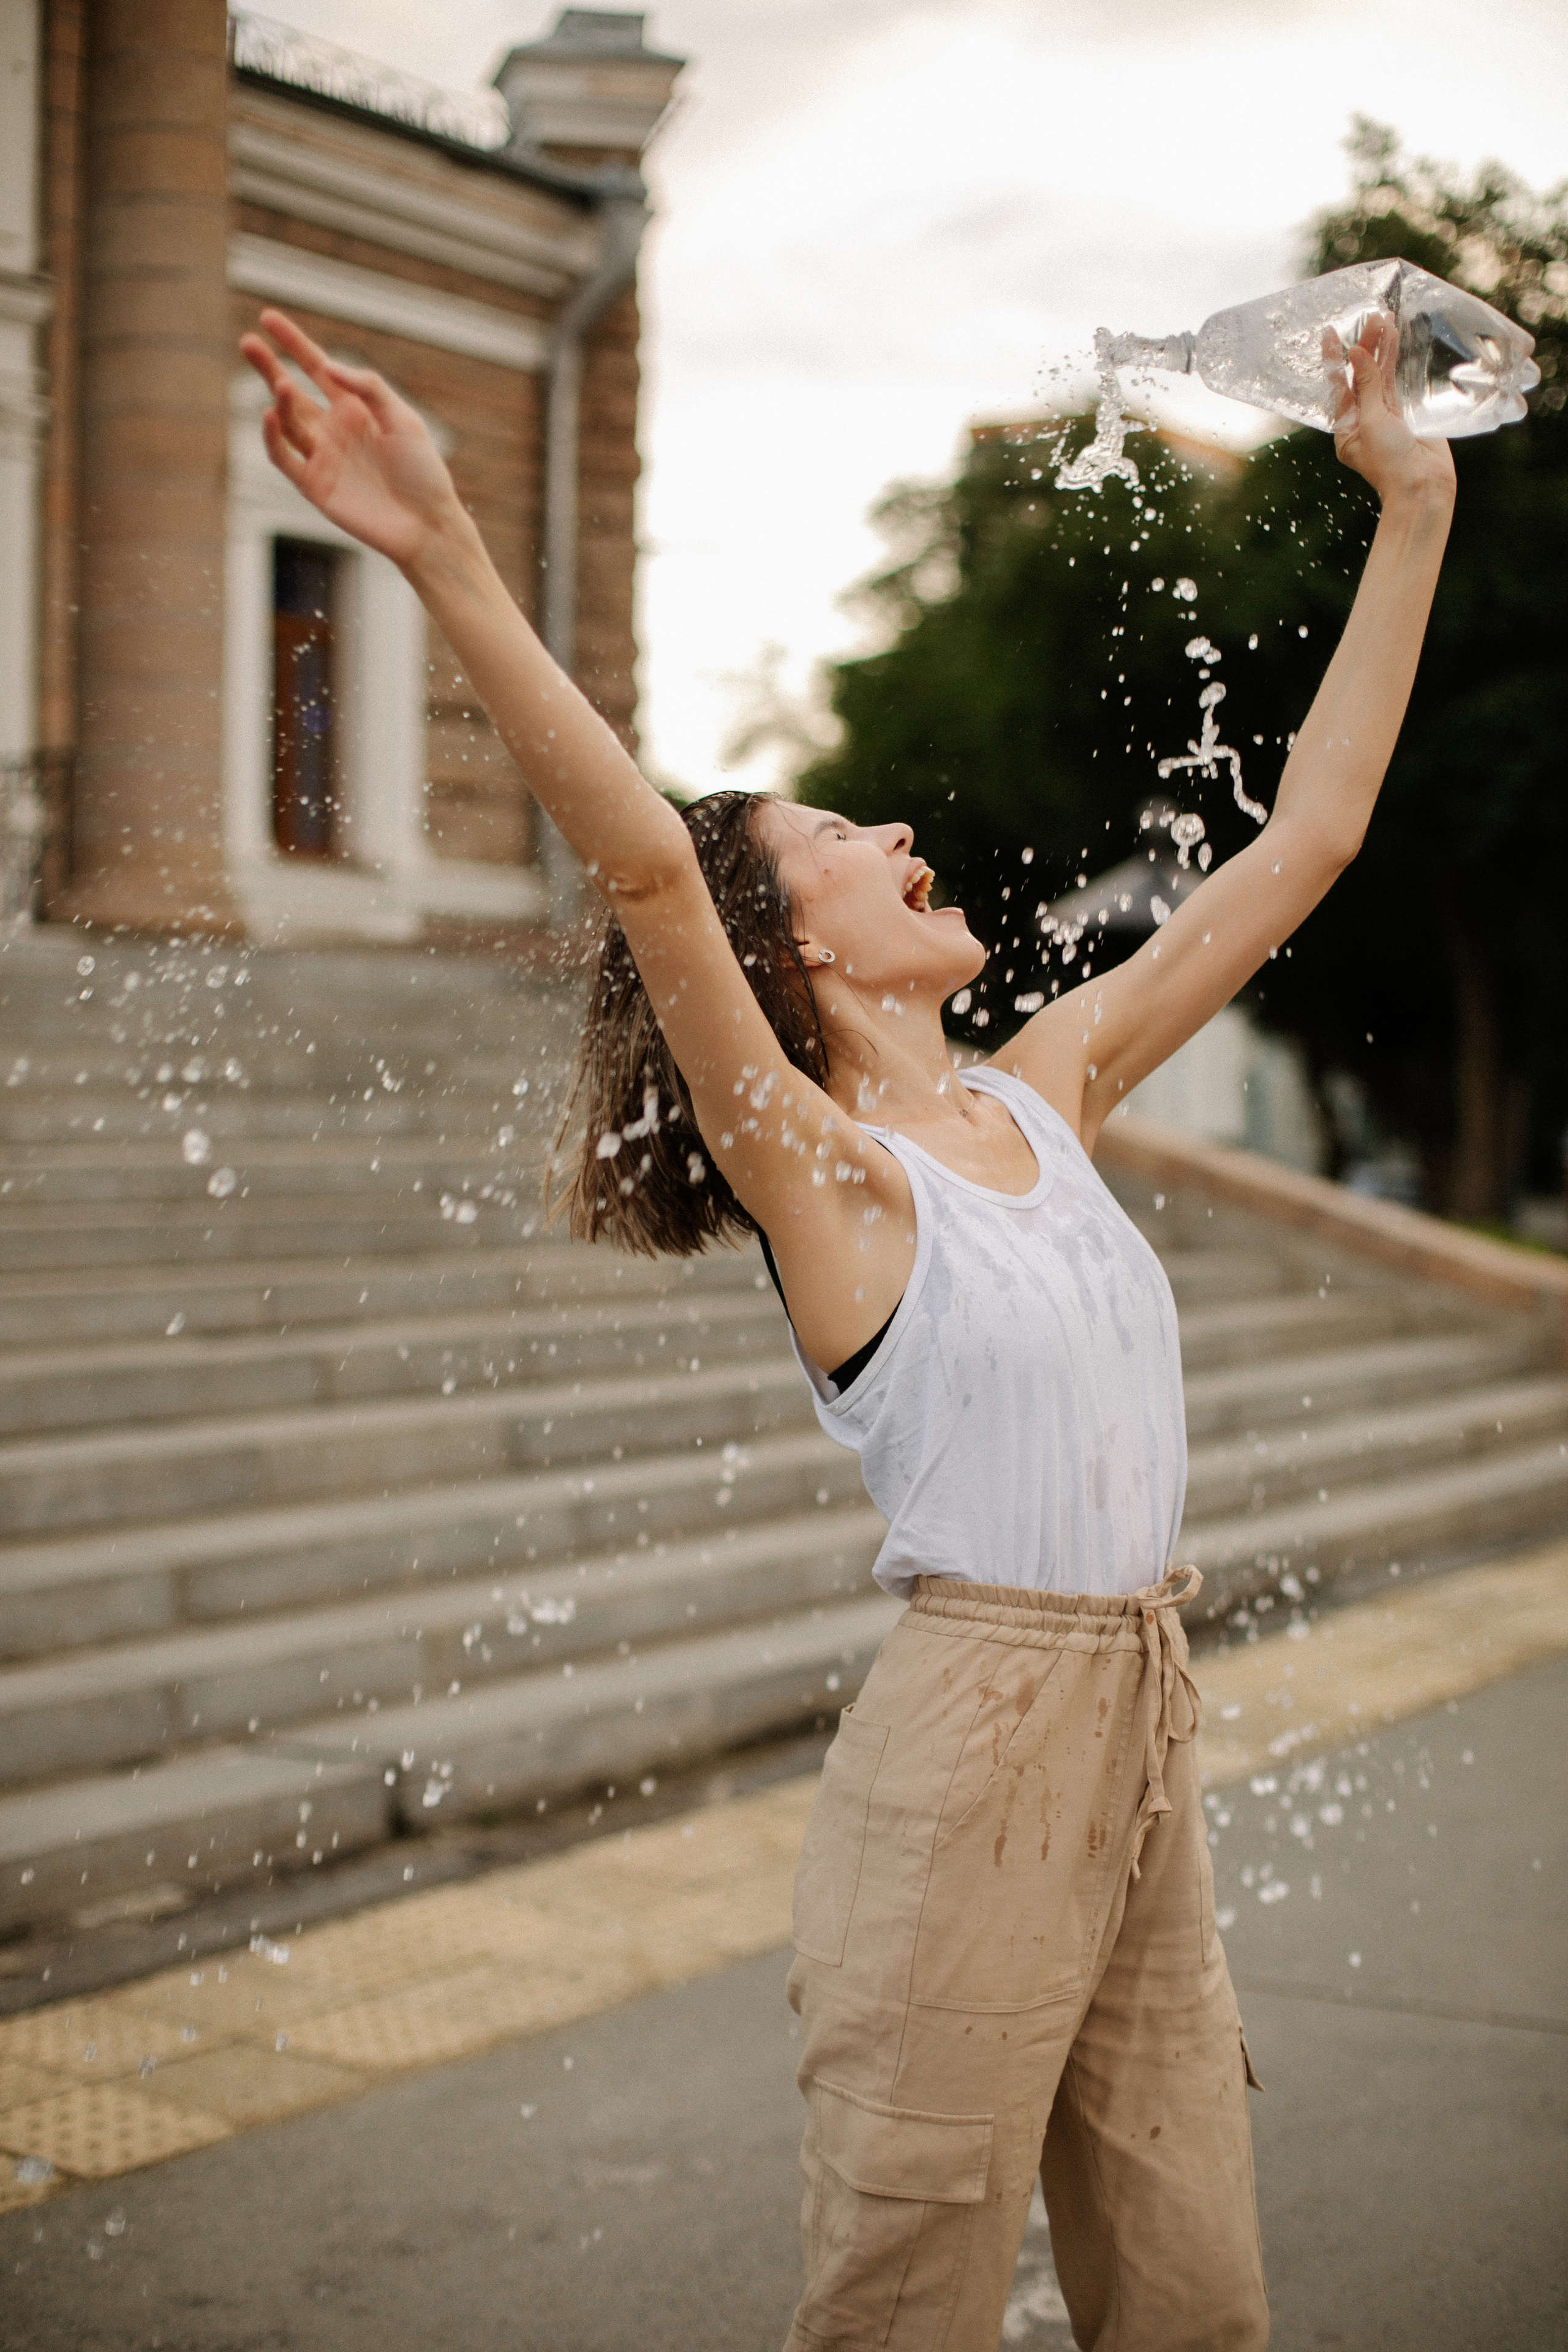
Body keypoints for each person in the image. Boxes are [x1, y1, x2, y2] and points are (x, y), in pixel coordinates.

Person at [241, 306, 1453, 2351]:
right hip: (969, 1749)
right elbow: (640, 860)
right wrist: (443, 550)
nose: (905, 837)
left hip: (1137, 1711)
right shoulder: (828, 1174)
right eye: (844, 847)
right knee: (906, 2299)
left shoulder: (1047, 1085)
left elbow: (1306, 842)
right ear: (789, 948)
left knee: (1195, 2294)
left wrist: (1408, 508)